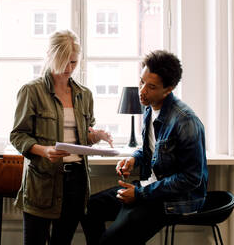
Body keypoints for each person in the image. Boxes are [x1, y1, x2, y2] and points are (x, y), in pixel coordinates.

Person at [82, 50, 208, 245]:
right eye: (142, 82)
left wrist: (140, 194)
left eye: (151, 87)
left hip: (172, 201)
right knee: (90, 207)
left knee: (110, 241)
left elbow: (190, 178)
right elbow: (153, 148)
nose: (142, 91)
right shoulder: (150, 109)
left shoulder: (185, 121)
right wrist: (134, 158)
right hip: (148, 190)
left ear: (169, 89)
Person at [10, 29, 113, 245]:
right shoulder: (31, 91)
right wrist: (44, 150)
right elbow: (18, 136)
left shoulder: (84, 95)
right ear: (51, 57)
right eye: (64, 62)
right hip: (43, 181)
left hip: (76, 181)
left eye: (74, 63)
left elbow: (82, 137)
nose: (68, 69)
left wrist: (96, 136)